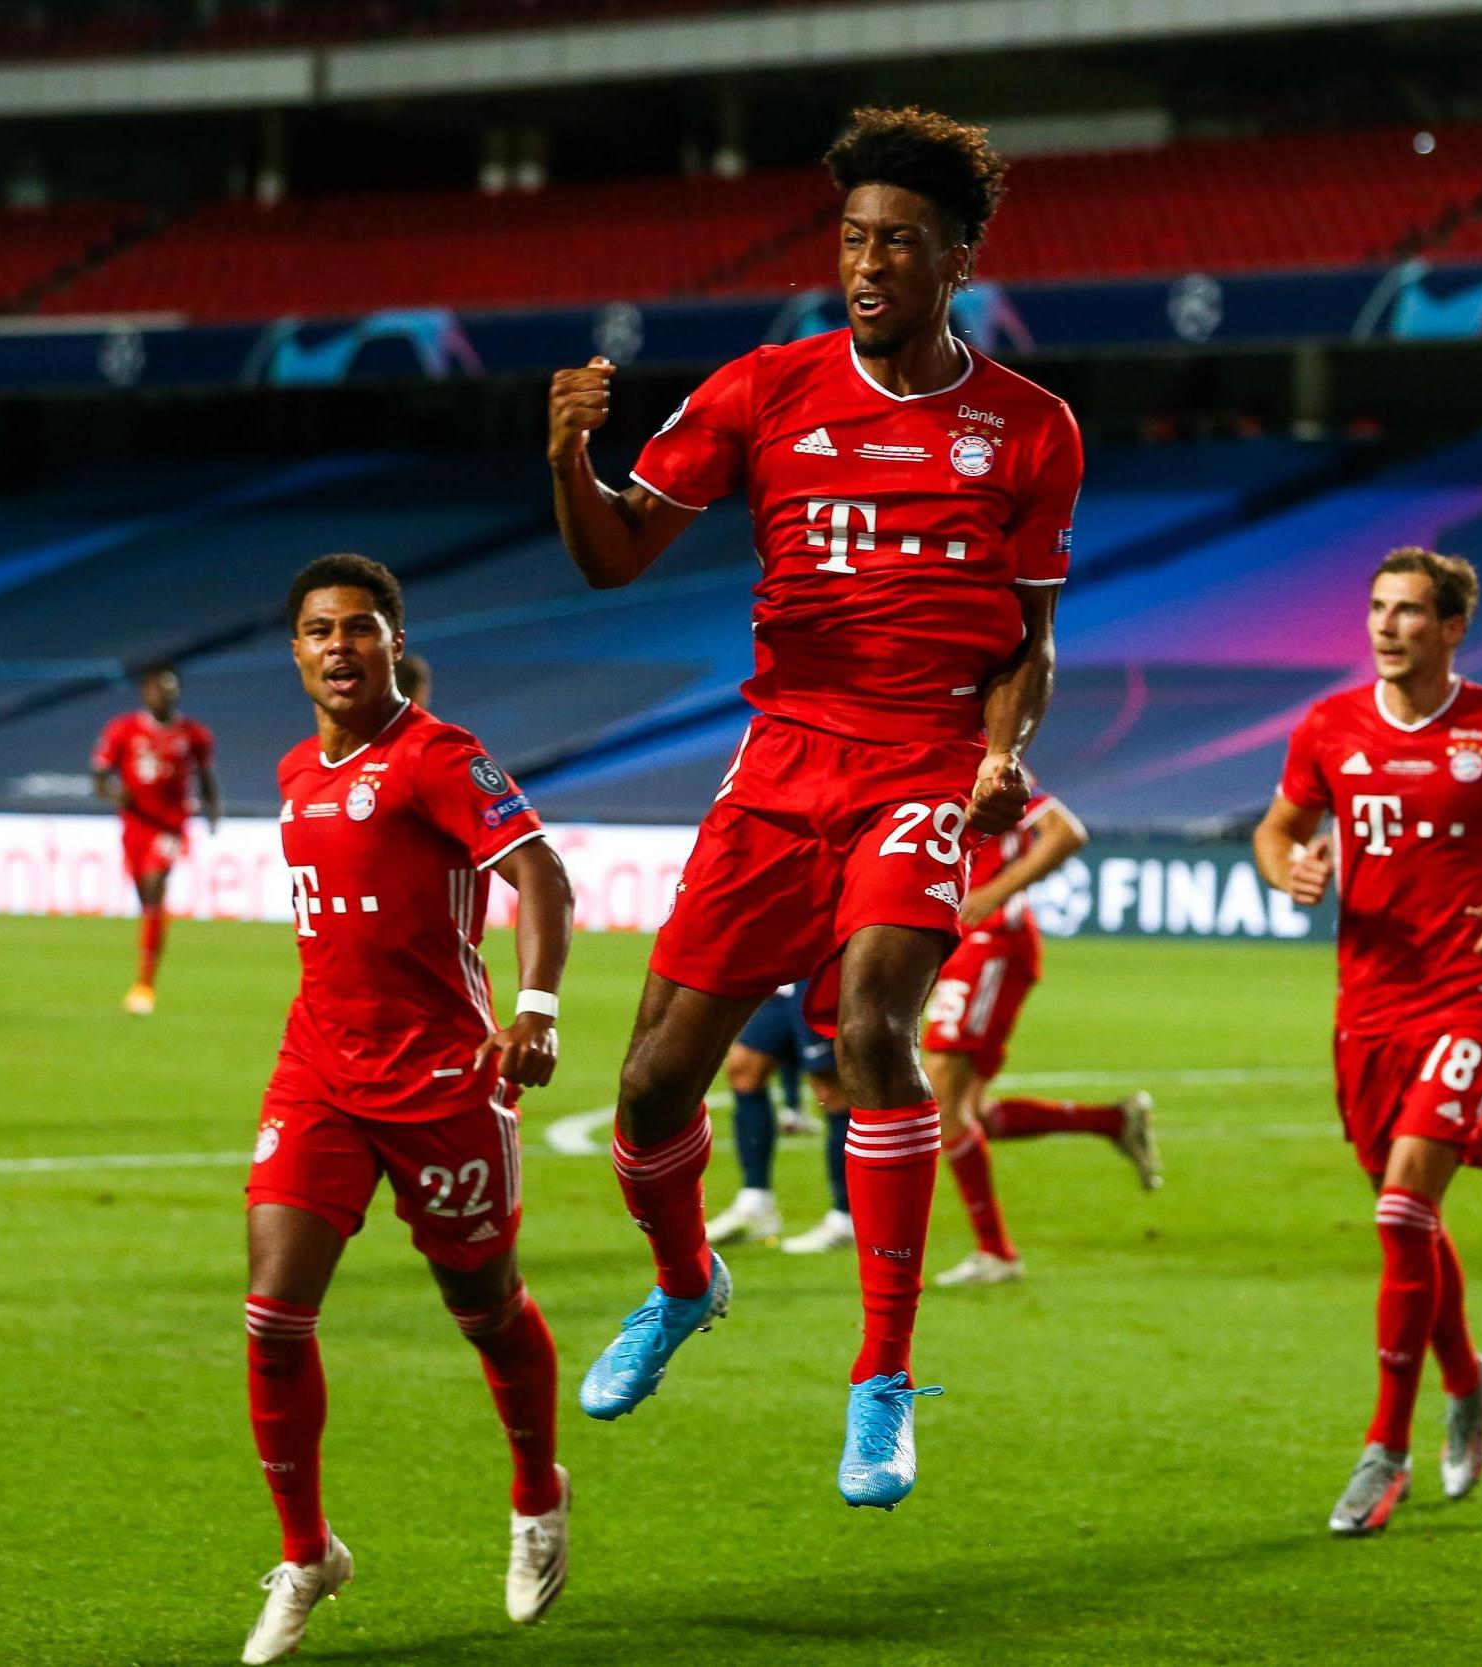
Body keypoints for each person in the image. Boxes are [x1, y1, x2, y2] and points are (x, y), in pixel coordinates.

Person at [547, 106, 1082, 1509]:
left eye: (897, 242)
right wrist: (566, 462)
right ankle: (684, 1281)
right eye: (852, 238)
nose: (866, 263)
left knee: (869, 1027)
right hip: (780, 758)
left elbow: (1027, 642)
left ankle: (882, 1379)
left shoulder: (1028, 430)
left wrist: (999, 748)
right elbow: (612, 559)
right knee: (654, 1076)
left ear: (954, 259)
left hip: (917, 764)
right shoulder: (762, 390)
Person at [238, 554, 578, 1662]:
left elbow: (540, 877)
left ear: (393, 643)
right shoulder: (294, 769)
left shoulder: (439, 757)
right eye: (318, 630)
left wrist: (533, 1009)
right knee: (273, 1319)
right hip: (320, 1075)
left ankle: (537, 1493)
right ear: (294, 652)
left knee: (483, 1308)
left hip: (443, 1081)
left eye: (359, 628)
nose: (338, 645)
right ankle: (308, 1553)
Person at [1253, 547, 1482, 1537]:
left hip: (1473, 994)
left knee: (1399, 1203)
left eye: (1408, 611)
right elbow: (1276, 824)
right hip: (1366, 1005)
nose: (1384, 625)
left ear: (1451, 626)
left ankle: (1384, 1451)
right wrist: (1287, 866)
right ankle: (1470, 1378)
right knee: (1406, 1215)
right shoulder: (1328, 724)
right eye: (1375, 607)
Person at [925, 782, 1160, 1288]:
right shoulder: (923, 751)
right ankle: (1114, 1121)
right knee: (970, 1111)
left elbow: (1064, 832)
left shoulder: (985, 760)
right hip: (969, 943)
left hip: (989, 942)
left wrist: (993, 892)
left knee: (944, 1098)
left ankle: (996, 1252)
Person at [91, 663, 218, 1015]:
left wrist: (213, 811)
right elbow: (99, 777)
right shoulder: (123, 730)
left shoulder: (193, 734)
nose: (164, 694)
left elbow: (206, 777)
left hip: (171, 825)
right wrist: (116, 794)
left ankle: (145, 984)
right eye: (158, 688)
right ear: (145, 692)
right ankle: (149, 955)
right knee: (145, 898)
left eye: (170, 688)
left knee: (155, 884)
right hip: (135, 826)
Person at [704, 984, 854, 1251]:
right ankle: (755, 1203)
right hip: (788, 982)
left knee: (832, 1089)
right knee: (744, 1068)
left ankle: (847, 1218)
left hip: (821, 977)